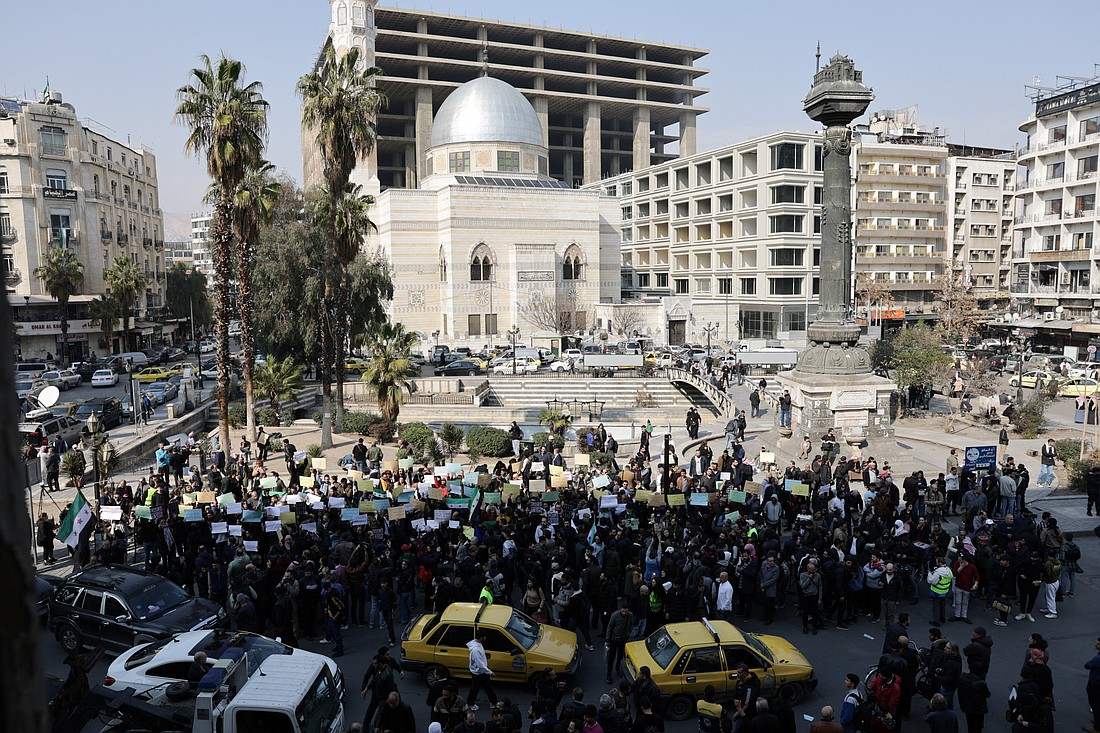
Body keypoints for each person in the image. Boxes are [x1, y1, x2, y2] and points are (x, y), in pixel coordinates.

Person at [466, 630, 497, 710]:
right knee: (476, 688)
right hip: (478, 673)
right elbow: (480, 665)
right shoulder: (476, 650)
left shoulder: (477, 645)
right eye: (484, 637)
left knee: (487, 687)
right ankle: (470, 703)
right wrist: (490, 672)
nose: (486, 638)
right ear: (481, 638)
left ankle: (493, 702)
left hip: (480, 672)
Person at [606, 600, 634, 683]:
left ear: (628, 610)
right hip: (614, 639)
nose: (624, 613)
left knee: (620, 656)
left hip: (623, 639)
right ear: (620, 609)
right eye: (623, 611)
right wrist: (608, 640)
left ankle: (618, 668)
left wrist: (628, 633)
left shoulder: (630, 615)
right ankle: (609, 674)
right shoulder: (615, 615)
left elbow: (631, 624)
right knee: (611, 657)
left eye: (626, 611)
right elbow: (610, 627)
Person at [1085, 637, 1100, 733]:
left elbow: (1087, 665)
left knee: (1096, 704)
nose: (1096, 645)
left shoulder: (1098, 658)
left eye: (1098, 644)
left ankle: (1097, 727)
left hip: (1096, 683)